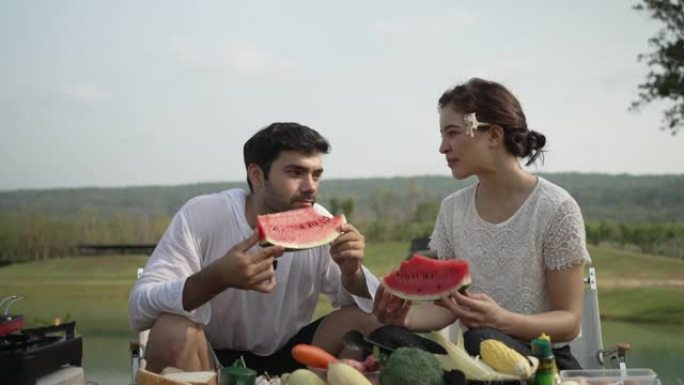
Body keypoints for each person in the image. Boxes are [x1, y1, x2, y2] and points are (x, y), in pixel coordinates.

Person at [128, 122, 380, 375]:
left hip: (288, 356)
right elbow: (139, 308)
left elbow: (372, 303)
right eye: (295, 173)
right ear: (257, 176)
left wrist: (352, 273)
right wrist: (215, 279)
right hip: (210, 358)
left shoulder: (319, 220)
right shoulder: (204, 215)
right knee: (171, 329)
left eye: (316, 175)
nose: (310, 186)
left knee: (366, 322)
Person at [373, 78, 590, 369]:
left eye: (452, 133)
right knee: (387, 337)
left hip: (544, 360)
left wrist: (503, 320)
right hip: (477, 358)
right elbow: (448, 307)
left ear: (494, 135)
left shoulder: (556, 208)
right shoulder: (452, 209)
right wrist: (406, 319)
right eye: (442, 135)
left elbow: (570, 322)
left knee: (483, 337)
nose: (442, 147)